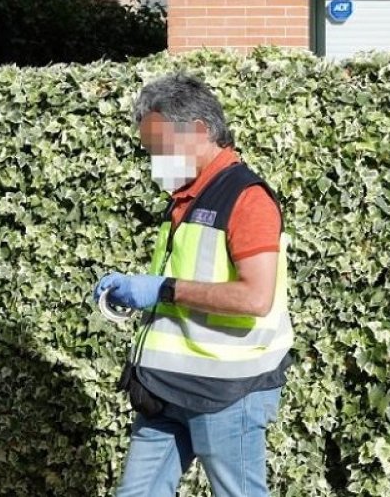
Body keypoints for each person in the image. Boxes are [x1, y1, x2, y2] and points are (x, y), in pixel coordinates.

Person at [93, 74, 292, 497]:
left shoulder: (246, 198)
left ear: (200, 132)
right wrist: (136, 292)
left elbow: (255, 297)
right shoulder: (186, 197)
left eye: (161, 148)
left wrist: (163, 289)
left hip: (227, 393)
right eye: (150, 151)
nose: (155, 161)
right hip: (166, 390)